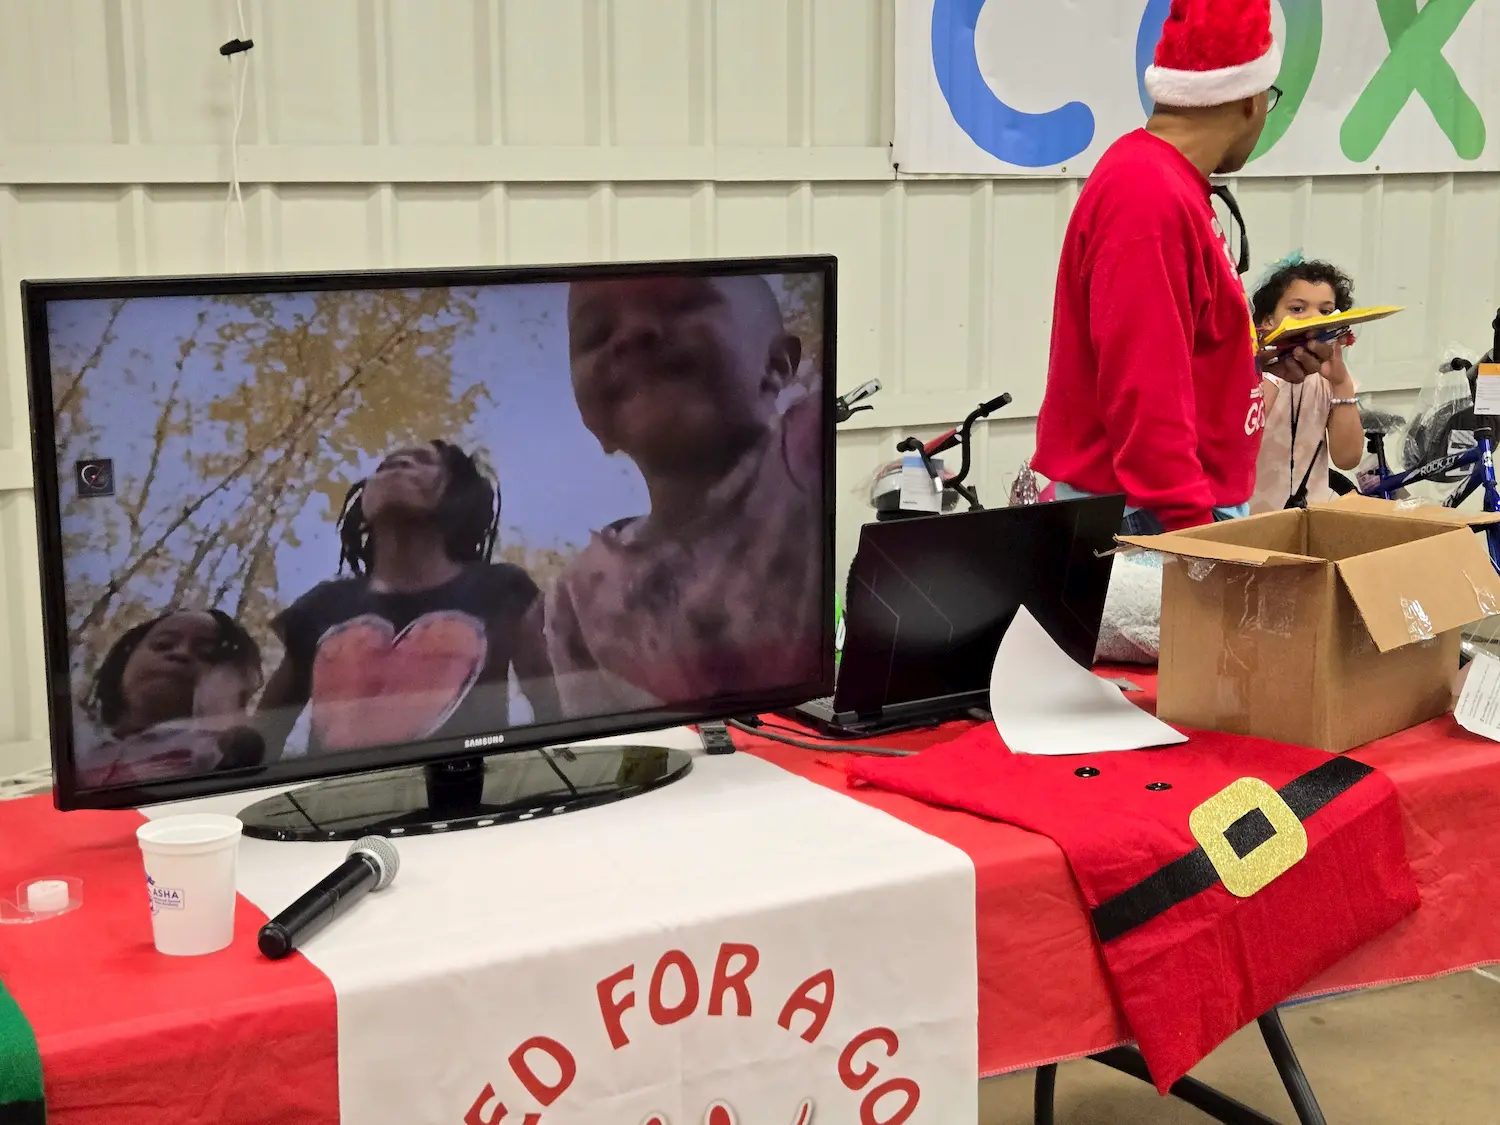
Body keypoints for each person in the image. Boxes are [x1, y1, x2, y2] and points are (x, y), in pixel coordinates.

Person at [1032, 0, 1334, 535]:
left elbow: (1173, 351)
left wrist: (1254, 362)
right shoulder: (1147, 197)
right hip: (1152, 515)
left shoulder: (1164, 182)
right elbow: (1144, 394)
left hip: (1161, 507)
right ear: (1250, 100)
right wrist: (1196, 541)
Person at [542, 274, 822, 718]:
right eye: (596, 334)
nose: (633, 333)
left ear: (777, 365)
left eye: (682, 304)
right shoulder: (576, 597)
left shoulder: (804, 454)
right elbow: (602, 742)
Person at [256, 441, 560, 757]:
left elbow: (556, 706)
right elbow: (262, 740)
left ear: (457, 493)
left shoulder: (501, 588)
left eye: (422, 460)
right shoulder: (322, 604)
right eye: (385, 465)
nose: (398, 465)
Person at [75, 609, 264, 788]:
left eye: (207, 653)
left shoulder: (216, 750)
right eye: (163, 644)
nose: (181, 653)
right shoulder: (76, 738)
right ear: (123, 661)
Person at [1249, 256, 1365, 513]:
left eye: (1325, 311)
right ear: (1267, 320)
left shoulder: (1329, 379)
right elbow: (1238, 447)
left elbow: (1347, 459)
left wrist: (1341, 383)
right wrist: (1274, 374)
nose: (1314, 318)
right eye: (1297, 309)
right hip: (1246, 520)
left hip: (1308, 520)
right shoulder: (1249, 375)